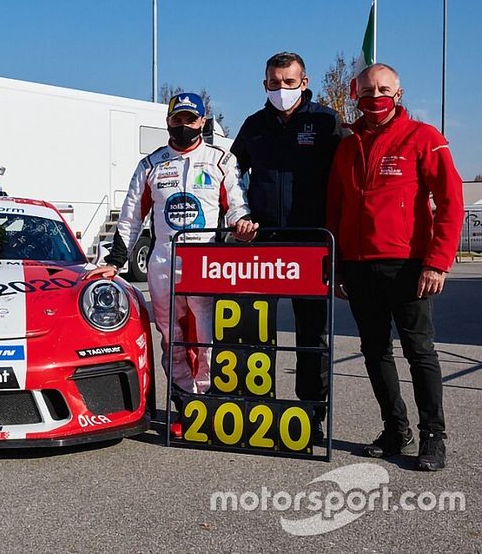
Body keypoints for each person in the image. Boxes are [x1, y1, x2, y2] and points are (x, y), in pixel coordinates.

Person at [86, 93, 258, 437]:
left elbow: (236, 203)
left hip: (205, 263)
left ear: (203, 122)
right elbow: (131, 216)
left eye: (190, 120)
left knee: (206, 339)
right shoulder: (151, 164)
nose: (184, 126)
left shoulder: (220, 159)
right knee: (172, 340)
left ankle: (208, 406)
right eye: (177, 119)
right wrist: (115, 262)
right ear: (168, 122)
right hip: (163, 263)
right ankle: (186, 409)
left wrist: (243, 223)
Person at [327, 63, 464, 471]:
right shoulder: (347, 146)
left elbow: (451, 204)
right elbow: (335, 209)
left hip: (408, 266)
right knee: (374, 351)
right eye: (367, 90)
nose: (375, 97)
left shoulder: (425, 138)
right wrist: (337, 267)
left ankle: (433, 435)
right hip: (358, 266)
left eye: (384, 89)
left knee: (419, 351)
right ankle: (395, 428)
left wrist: (437, 263)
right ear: (356, 93)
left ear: (399, 94)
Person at [230, 51, 344, 443]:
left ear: (305, 81)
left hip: (311, 245)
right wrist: (238, 217)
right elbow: (229, 178)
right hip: (262, 246)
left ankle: (311, 415)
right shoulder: (253, 125)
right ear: (265, 84)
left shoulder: (327, 122)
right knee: (253, 332)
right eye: (275, 83)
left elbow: (349, 175)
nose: (282, 90)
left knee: (311, 336)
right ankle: (251, 409)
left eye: (289, 82)